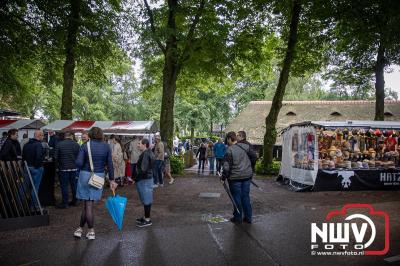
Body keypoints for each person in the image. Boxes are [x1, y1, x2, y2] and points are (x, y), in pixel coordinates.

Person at [74, 127, 117, 240]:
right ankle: (79, 229)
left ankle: (91, 231)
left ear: (90, 135)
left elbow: (78, 163)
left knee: (87, 204)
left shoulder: (85, 146)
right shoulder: (106, 146)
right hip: (98, 176)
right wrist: (112, 180)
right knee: (88, 203)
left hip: (85, 175)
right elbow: (110, 165)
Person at [221, 131, 256, 224]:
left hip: (235, 178)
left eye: (227, 139)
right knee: (245, 197)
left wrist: (223, 177)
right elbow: (254, 157)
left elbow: (226, 166)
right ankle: (248, 217)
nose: (227, 141)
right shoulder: (246, 147)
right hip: (247, 176)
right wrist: (250, 168)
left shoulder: (229, 150)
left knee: (236, 197)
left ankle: (238, 217)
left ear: (229, 139)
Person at [54, 131, 80, 209]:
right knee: (74, 185)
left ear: (65, 136)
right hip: (74, 168)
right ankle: (75, 201)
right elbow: (79, 157)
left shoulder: (59, 144)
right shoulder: (76, 145)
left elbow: (55, 157)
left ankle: (65, 203)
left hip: (63, 168)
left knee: (64, 186)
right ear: (71, 136)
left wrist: (58, 166)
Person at [135, 138, 155, 227]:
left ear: (144, 144)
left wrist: (135, 177)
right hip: (147, 179)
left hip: (145, 180)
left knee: (146, 200)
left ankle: (147, 220)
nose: (138, 145)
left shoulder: (146, 154)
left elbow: (142, 169)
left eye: (139, 143)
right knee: (147, 199)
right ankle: (146, 217)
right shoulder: (147, 152)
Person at [22, 130, 45, 203]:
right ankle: (33, 207)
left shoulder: (26, 144)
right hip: (36, 168)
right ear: (39, 136)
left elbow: (23, 156)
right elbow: (38, 157)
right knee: (35, 188)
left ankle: (18, 206)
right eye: (43, 135)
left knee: (23, 187)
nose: (43, 137)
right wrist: (37, 166)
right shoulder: (38, 144)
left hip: (27, 167)